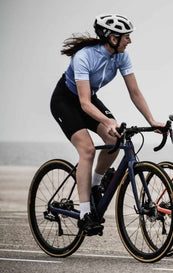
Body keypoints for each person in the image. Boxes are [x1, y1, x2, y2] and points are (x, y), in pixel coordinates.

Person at [50, 14, 165, 235]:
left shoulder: (121, 56)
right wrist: (107, 120)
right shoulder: (84, 57)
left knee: (115, 138)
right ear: (113, 38)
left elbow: (134, 92)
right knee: (87, 150)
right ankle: (85, 214)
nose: (129, 41)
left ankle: (95, 185)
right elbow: (83, 103)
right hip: (66, 101)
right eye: (126, 37)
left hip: (88, 100)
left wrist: (151, 120)